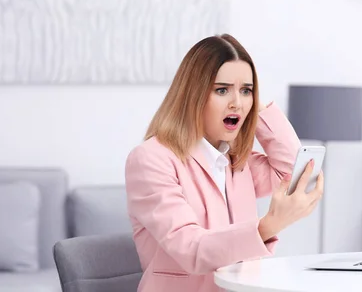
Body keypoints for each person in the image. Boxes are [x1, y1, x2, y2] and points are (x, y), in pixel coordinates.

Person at [125, 34, 324, 292]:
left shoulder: (236, 161)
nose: (237, 103)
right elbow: (191, 248)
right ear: (192, 95)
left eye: (246, 91)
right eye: (221, 89)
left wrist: (258, 107)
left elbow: (293, 171)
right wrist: (269, 224)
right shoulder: (151, 159)